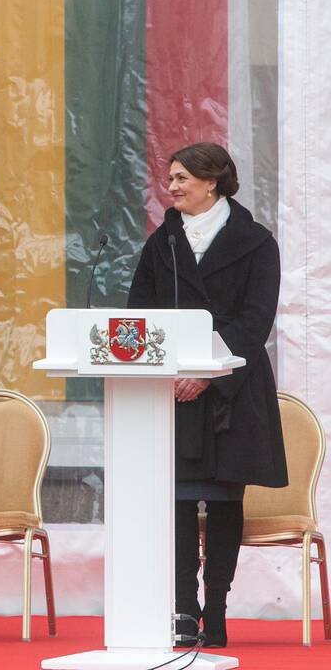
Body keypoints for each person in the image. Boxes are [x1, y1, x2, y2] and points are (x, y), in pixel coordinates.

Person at [128, 142, 286, 648]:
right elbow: (141, 312)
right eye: (169, 178)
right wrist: (171, 371)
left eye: (181, 178)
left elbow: (255, 320)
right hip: (172, 391)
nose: (171, 186)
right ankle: (183, 611)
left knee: (223, 500)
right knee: (174, 502)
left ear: (212, 181)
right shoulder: (163, 243)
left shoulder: (256, 242)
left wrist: (208, 374)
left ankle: (216, 608)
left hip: (231, 392)